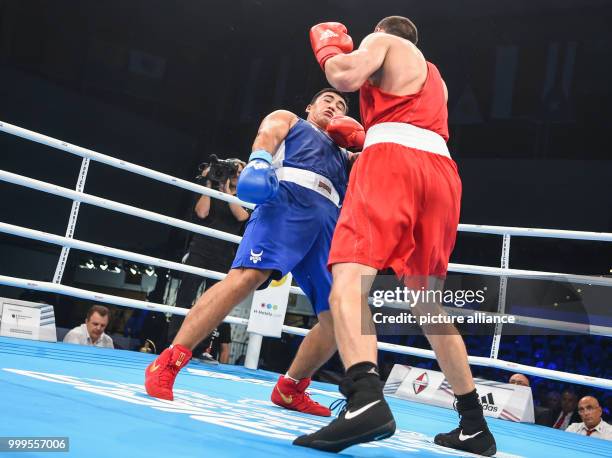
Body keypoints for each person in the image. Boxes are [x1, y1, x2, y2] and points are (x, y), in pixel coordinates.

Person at [293, 16, 496, 455]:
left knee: (348, 276)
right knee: (427, 300)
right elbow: (411, 127)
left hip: (394, 164)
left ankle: (364, 398)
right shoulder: (433, 78)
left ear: (385, 33)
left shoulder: (380, 40)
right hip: (441, 175)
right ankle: (474, 425)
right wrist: (365, 136)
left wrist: (332, 51)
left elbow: (344, 75)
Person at [144, 88, 365, 417]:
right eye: (327, 101)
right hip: (285, 205)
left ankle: (290, 389)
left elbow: (380, 166)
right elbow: (268, 132)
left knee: (340, 315)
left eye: (342, 105)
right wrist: (260, 161)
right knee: (246, 278)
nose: (335, 106)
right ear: (309, 107)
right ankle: (167, 363)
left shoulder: (345, 155)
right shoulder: (291, 121)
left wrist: (366, 142)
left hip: (327, 223)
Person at [168, 159, 248, 362]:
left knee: (215, 302)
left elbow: (241, 217)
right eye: (231, 172)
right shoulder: (211, 189)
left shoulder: (247, 194)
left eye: (238, 172)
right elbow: (202, 212)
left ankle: (203, 348)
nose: (234, 175)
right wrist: (210, 185)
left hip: (224, 254)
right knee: (185, 296)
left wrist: (229, 193)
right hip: (201, 248)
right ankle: (174, 344)